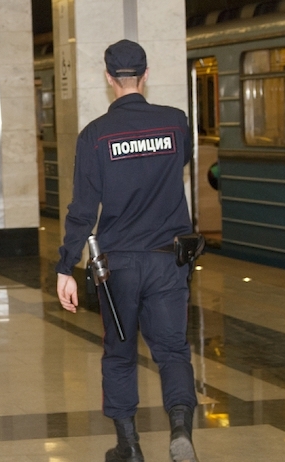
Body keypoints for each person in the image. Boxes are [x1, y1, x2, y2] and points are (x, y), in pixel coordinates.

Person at [55, 40, 199, 462]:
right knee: (172, 350)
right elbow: (180, 164)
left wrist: (66, 265)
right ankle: (180, 428)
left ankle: (129, 444)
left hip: (117, 267)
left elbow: (83, 210)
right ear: (145, 74)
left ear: (108, 78)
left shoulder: (95, 135)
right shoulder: (176, 123)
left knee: (119, 354)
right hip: (167, 260)